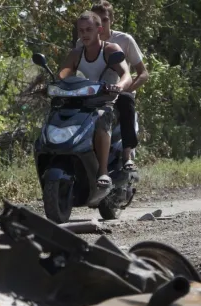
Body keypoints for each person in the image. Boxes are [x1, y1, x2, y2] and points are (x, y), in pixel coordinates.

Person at [57, 11, 132, 189]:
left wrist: (119, 86)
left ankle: (103, 171)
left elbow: (126, 75)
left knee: (101, 118)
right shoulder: (76, 53)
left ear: (99, 30)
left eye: (89, 30)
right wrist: (50, 85)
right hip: (82, 101)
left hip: (106, 101)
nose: (84, 34)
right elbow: (62, 75)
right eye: (81, 31)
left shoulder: (110, 50)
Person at [75, 1, 149, 171]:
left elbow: (143, 73)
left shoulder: (124, 40)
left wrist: (126, 88)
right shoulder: (82, 42)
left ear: (111, 21)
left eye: (105, 20)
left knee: (125, 100)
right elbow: (71, 68)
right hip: (91, 93)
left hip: (117, 91)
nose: (101, 24)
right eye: (97, 20)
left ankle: (127, 153)